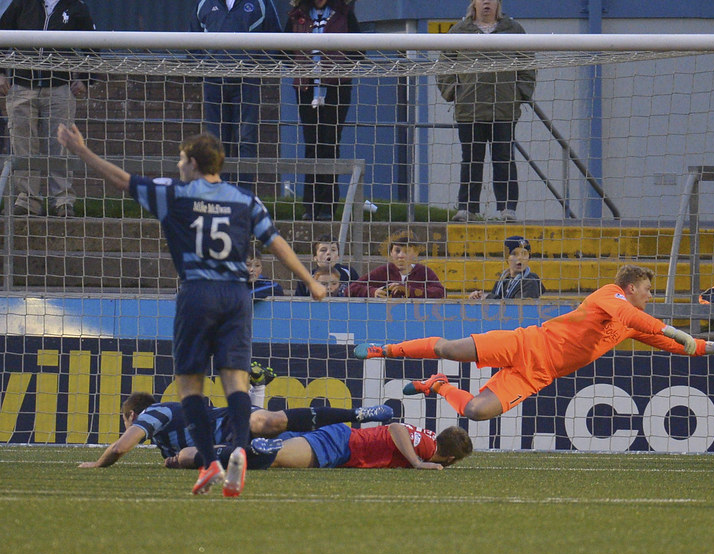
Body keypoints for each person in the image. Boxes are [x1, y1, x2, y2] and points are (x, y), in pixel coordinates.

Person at [57, 123, 326, 496]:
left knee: (190, 384)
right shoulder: (244, 199)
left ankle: (210, 462)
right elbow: (275, 241)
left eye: (182, 160)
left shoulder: (176, 193)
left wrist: (82, 151)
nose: (178, 166)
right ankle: (238, 453)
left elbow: (123, 181)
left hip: (198, 292)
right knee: (235, 381)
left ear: (194, 163)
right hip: (236, 296)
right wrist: (310, 281)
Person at [354, 265, 714, 422]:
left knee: (475, 412)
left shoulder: (630, 321)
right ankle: (383, 350)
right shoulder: (609, 295)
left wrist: (710, 347)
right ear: (629, 288)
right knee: (449, 348)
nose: (649, 296)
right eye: (646, 290)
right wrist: (679, 332)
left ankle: (436, 385)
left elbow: (663, 342)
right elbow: (634, 318)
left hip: (539, 374)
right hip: (527, 344)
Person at [78, 389, 394, 470]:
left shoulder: (153, 413)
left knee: (270, 421)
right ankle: (256, 449)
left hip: (229, 422)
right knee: (267, 426)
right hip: (226, 438)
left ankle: (358, 413)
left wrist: (97, 463)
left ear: (132, 415)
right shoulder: (165, 435)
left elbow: (121, 447)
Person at [0, 0, 95, 217]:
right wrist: (1, 74)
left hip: (59, 89)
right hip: (22, 86)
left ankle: (62, 200)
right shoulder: (22, 2)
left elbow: (92, 47)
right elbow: (1, 37)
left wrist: (85, 79)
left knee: (61, 145)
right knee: (23, 145)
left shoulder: (77, 6)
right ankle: (27, 200)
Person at [437, 0, 536, 222]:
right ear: (473, 2)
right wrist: (453, 92)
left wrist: (519, 94)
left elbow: (528, 66)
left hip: (504, 108)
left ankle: (506, 208)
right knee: (471, 159)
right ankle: (467, 208)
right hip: (469, 109)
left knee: (504, 159)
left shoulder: (514, 30)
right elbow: (443, 66)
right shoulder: (459, 31)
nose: (486, 2)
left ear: (498, 3)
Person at [285, 0, 361, 221]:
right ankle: (310, 206)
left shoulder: (344, 14)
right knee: (311, 145)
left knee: (330, 144)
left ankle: (328, 206)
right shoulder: (297, 16)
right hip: (306, 89)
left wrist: (338, 68)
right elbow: (283, 50)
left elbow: (359, 50)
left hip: (336, 88)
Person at [190, 0, 281, 161]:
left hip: (247, 81)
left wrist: (261, 67)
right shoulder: (205, 1)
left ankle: (242, 192)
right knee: (215, 140)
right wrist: (201, 69)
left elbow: (276, 38)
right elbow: (192, 41)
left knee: (246, 139)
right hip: (214, 81)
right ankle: (216, 190)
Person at [170, 423, 473, 472]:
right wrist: (418, 464)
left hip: (340, 445)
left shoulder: (431, 438)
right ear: (448, 458)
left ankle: (191, 453)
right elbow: (396, 428)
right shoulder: (428, 445)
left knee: (268, 456)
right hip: (339, 445)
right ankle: (187, 457)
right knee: (268, 459)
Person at [348, 230, 445, 299]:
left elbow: (440, 292)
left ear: (416, 253)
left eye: (406, 251)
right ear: (390, 252)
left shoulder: (424, 272)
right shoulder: (383, 271)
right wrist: (374, 292)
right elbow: (351, 289)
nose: (401, 256)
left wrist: (409, 291)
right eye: (397, 251)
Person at [468, 235, 545, 299]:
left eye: (524, 254)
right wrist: (478, 296)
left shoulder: (530, 282)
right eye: (514, 254)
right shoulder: (504, 278)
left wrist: (488, 297)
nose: (520, 258)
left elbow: (518, 311)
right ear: (507, 257)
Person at [295, 236, 359, 296]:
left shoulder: (349, 273)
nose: (329, 253)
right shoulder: (306, 277)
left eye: (333, 250)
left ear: (338, 256)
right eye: (323, 250)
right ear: (315, 257)